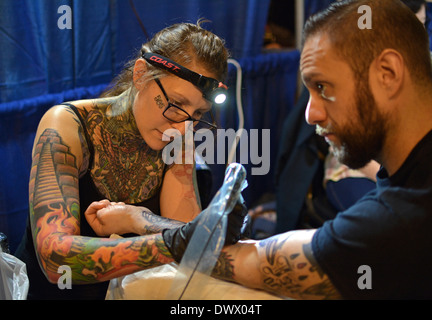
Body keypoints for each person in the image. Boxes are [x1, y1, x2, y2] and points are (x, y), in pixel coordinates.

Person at [208, 0, 432, 299]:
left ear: (388, 73)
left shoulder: (401, 222)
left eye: (324, 87)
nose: (310, 115)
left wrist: (154, 234)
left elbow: (259, 263)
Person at [14, 21, 248, 300]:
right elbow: (56, 261)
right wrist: (174, 237)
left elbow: (187, 256)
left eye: (198, 114)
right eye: (175, 104)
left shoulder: (178, 137)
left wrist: (137, 219)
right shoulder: (66, 124)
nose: (183, 128)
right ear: (140, 75)